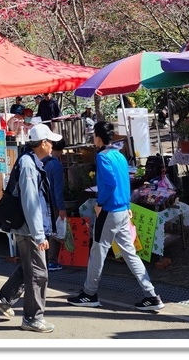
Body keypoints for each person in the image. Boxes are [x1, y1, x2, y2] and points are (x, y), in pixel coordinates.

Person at [68, 121, 165, 312]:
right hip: (122, 209)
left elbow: (109, 184)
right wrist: (127, 205)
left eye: (93, 135)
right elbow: (124, 182)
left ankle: (90, 293)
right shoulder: (119, 155)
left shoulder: (102, 157)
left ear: (98, 136)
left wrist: (100, 204)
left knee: (98, 252)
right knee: (130, 253)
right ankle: (151, 295)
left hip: (109, 210)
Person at [0, 124, 57, 333]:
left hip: (26, 228)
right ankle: (33, 318)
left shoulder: (29, 161)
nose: (53, 145)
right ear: (43, 143)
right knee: (38, 274)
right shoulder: (28, 165)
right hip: (29, 230)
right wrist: (39, 234)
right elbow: (30, 202)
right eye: (50, 141)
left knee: (29, 268)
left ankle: (4, 299)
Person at [42, 139, 67, 272]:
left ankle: (45, 259)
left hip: (43, 202)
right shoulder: (56, 165)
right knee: (55, 232)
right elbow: (58, 190)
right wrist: (62, 208)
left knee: (47, 230)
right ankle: (52, 261)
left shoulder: (44, 162)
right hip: (53, 203)